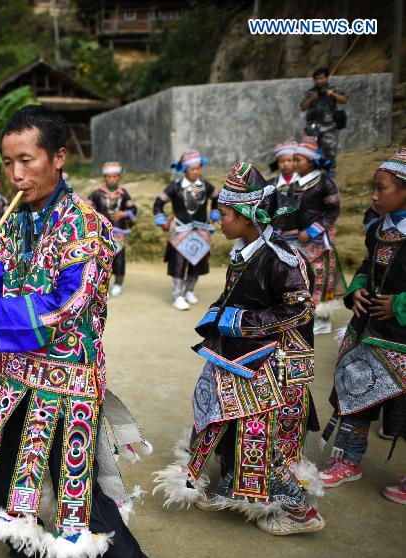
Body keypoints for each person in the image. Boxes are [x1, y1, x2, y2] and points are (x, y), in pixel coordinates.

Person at [0, 106, 165, 558]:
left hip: (67, 380)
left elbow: (68, 309)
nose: (16, 174)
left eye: (26, 161)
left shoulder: (88, 226)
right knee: (8, 464)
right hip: (15, 373)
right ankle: (23, 544)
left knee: (78, 481)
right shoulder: (16, 220)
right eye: (8, 163)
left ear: (58, 158)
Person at [153, 161, 325, 536]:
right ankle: (233, 483)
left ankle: (297, 510)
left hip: (270, 360)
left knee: (255, 428)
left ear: (250, 217)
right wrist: (218, 316)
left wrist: (238, 322)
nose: (218, 219)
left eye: (225, 214)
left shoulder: (283, 259)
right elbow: (237, 295)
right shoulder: (245, 250)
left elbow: (299, 308)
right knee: (218, 410)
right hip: (239, 352)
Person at [319, 148, 406, 505]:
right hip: (368, 327)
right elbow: (369, 267)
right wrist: (357, 291)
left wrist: (400, 304)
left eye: (381, 188)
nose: (373, 195)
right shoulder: (377, 226)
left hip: (401, 337)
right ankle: (349, 460)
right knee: (356, 391)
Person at [278, 136, 346, 335]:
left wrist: (313, 230)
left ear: (310, 161)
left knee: (321, 278)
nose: (294, 163)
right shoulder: (294, 185)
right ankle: (304, 315)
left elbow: (333, 211)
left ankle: (323, 319)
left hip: (318, 241)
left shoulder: (325, 183)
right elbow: (289, 211)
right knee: (301, 278)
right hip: (297, 240)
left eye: (298, 159)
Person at [153, 150, 219, 311]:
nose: (195, 172)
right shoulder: (174, 188)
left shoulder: (205, 187)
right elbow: (158, 202)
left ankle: (189, 290)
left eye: (198, 168)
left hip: (201, 230)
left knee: (197, 263)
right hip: (180, 231)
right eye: (192, 169)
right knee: (178, 264)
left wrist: (214, 215)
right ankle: (177, 296)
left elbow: (218, 197)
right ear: (184, 170)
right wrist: (161, 221)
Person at [89, 161, 136, 296]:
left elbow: (133, 208)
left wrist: (124, 213)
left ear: (119, 178)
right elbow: (88, 209)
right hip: (102, 233)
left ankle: (118, 284)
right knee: (102, 259)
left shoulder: (123, 194)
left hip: (119, 233)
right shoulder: (97, 194)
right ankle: (103, 286)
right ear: (104, 178)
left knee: (120, 260)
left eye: (114, 176)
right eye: (108, 177)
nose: (111, 179)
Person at [300, 67, 348, 177]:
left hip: (329, 125)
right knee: (312, 150)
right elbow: (303, 107)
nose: (319, 81)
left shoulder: (333, 89)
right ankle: (314, 171)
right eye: (317, 79)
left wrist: (333, 95)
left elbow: (344, 100)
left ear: (326, 78)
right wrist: (312, 99)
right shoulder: (311, 92)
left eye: (321, 78)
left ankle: (330, 171)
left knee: (330, 150)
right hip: (313, 126)